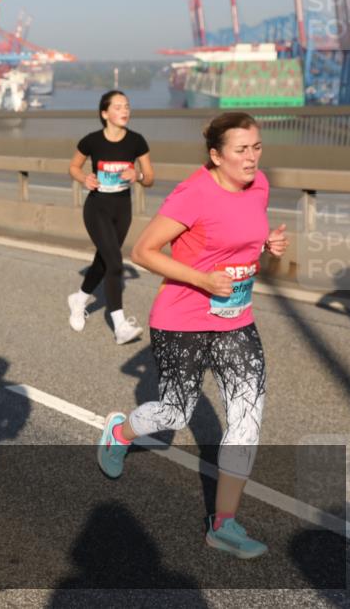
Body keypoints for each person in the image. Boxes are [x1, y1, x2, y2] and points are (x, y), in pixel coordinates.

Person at [97, 112, 289, 559]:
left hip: (236, 321)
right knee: (174, 414)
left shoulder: (258, 186)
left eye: (256, 147)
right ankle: (120, 432)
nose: (252, 157)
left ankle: (224, 524)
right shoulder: (193, 194)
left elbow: (238, 237)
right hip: (182, 321)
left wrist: (267, 246)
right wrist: (203, 281)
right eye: (241, 150)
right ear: (216, 155)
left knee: (246, 420)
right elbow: (143, 251)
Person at [67, 90, 154, 344]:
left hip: (122, 208)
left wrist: (137, 176)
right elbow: (73, 166)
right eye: (118, 107)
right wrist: (85, 178)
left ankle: (79, 299)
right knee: (115, 262)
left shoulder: (136, 141)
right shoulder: (91, 141)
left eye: (127, 106)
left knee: (104, 261)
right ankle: (120, 326)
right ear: (105, 113)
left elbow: (150, 178)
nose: (124, 111)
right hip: (97, 207)